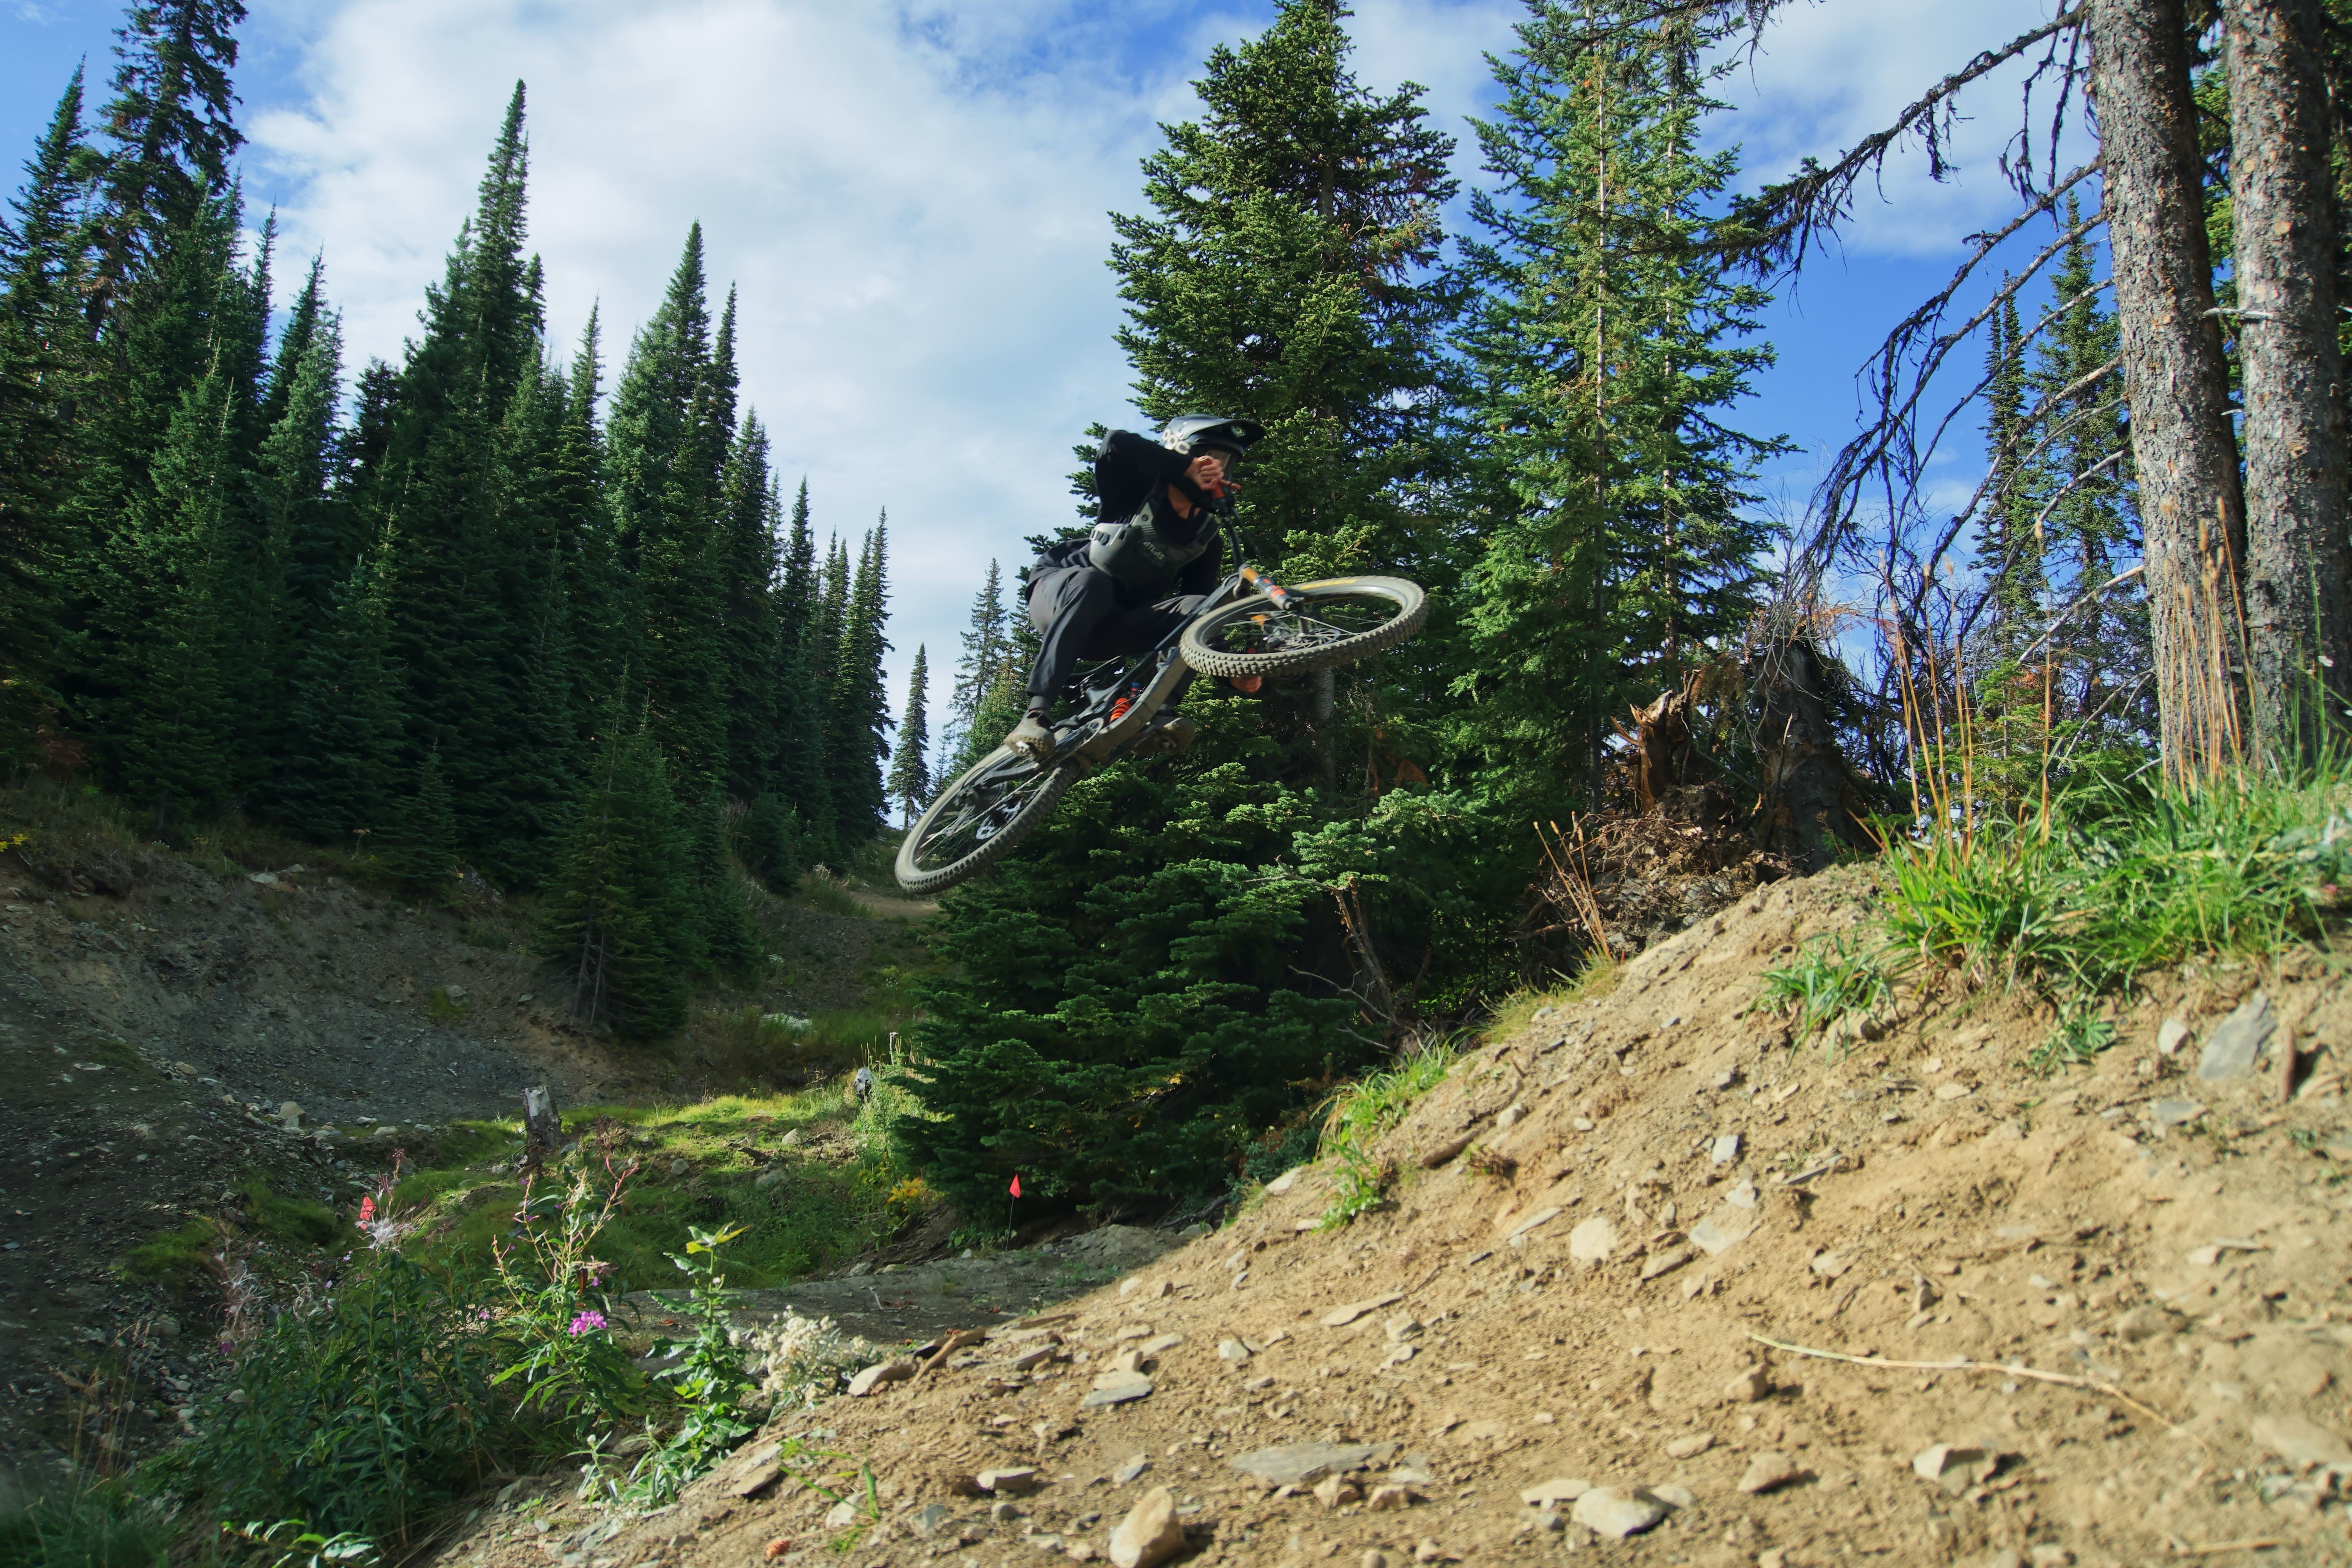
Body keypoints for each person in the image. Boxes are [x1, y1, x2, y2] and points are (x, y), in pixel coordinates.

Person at [1006, 415, 1263, 764]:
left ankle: (1152, 715)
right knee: (1092, 583)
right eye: (1210, 459)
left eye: (1227, 464)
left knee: (1204, 608)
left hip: (1113, 628)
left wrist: (1231, 674)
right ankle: (1036, 715)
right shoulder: (1136, 488)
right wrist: (1185, 467)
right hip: (1059, 597)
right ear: (1184, 453)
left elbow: (1198, 619)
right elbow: (1115, 444)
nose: (1217, 471)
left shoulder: (1204, 538)